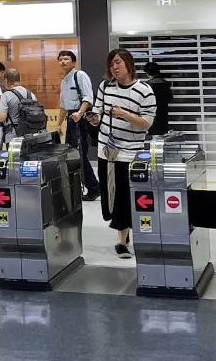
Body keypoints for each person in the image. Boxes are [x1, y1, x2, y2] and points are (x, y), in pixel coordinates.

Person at [87, 49, 157, 258]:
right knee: (109, 196)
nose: (114, 67)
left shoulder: (144, 91)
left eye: (118, 62)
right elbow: (98, 111)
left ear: (128, 63)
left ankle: (122, 239)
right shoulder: (105, 86)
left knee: (124, 196)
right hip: (106, 151)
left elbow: (146, 124)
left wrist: (124, 114)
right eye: (111, 64)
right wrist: (94, 119)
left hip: (129, 153)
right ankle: (122, 233)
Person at [57, 50, 100, 201]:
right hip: (71, 119)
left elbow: (88, 97)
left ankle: (93, 188)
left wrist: (80, 113)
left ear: (74, 62)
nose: (63, 61)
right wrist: (58, 125)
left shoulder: (80, 75)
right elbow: (63, 105)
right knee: (71, 155)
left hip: (81, 118)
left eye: (66, 59)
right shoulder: (64, 81)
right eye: (60, 59)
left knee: (80, 155)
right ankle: (78, 188)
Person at [0, 67, 35, 146]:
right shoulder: (31, 94)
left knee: (13, 154)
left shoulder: (6, 95)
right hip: (30, 135)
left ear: (6, 80)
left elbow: (2, 117)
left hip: (13, 136)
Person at [143, 61, 173, 137]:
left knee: (153, 138)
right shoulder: (165, 83)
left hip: (151, 115)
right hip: (163, 115)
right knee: (162, 137)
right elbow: (170, 97)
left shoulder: (147, 85)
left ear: (147, 73)